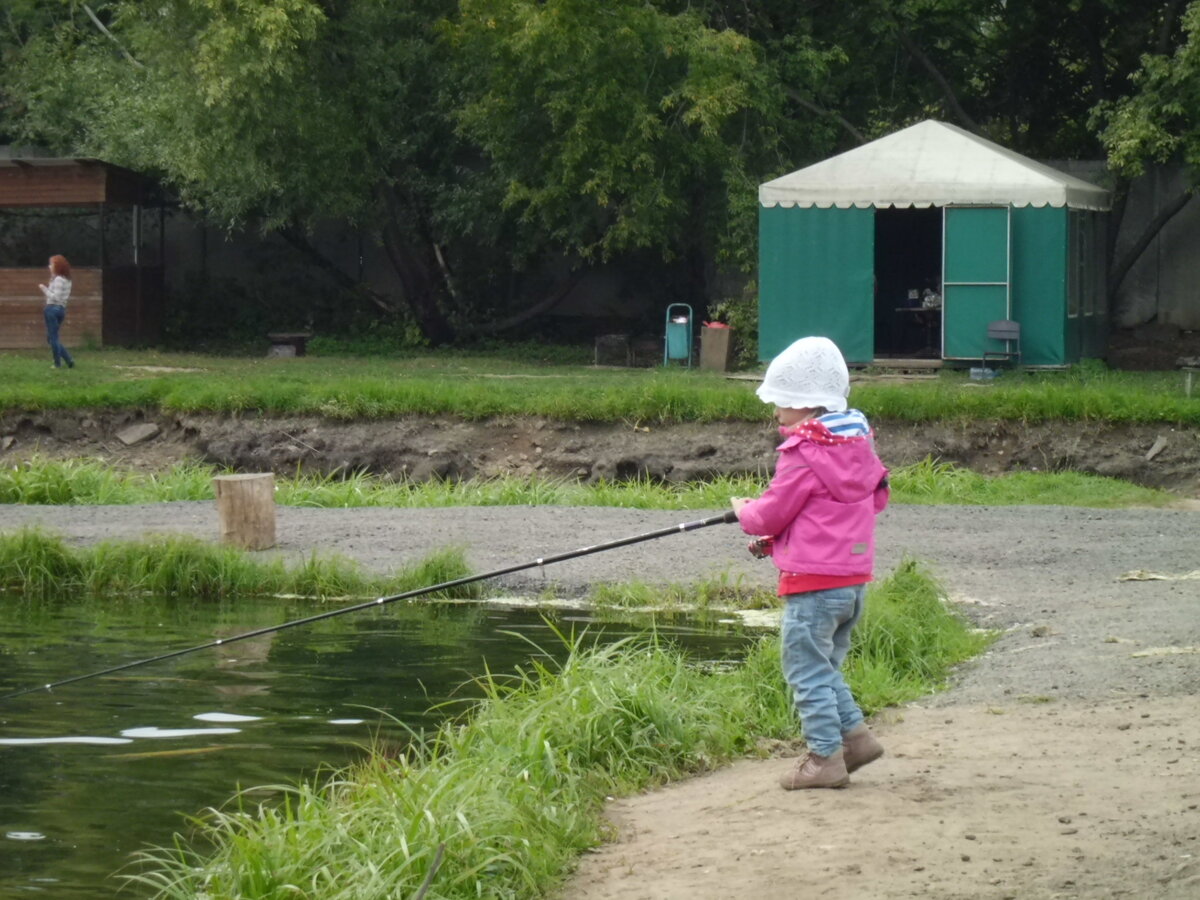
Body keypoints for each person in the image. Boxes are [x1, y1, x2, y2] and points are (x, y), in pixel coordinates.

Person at [732, 336, 889, 790]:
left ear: (804, 405)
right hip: (852, 580)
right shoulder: (858, 447)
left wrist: (746, 511)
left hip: (812, 586)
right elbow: (863, 505)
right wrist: (779, 541)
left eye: (781, 401)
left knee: (804, 670)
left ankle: (825, 759)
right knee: (824, 667)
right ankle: (856, 739)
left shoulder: (803, 453)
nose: (776, 411)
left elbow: (771, 512)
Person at [39, 254, 75, 369]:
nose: (49, 266)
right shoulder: (66, 279)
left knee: (53, 338)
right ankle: (69, 360)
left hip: (53, 309)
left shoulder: (59, 279)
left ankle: (57, 364)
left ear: (57, 266)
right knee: (51, 338)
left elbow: (56, 297)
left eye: (51, 264)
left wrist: (44, 289)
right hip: (61, 310)